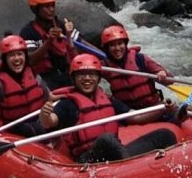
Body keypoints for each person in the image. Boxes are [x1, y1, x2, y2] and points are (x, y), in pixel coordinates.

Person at [38, 53, 177, 163]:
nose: (87, 78)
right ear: (73, 79)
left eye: (92, 74)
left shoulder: (108, 99)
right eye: (81, 75)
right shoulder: (67, 103)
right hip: (87, 161)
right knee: (106, 139)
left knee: (164, 135)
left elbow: (136, 117)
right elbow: (50, 121)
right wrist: (45, 114)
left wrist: (161, 108)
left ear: (98, 78)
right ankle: (131, 170)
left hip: (117, 155)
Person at [0, 35, 49, 136]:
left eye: (20, 54)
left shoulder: (32, 73)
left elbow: (48, 97)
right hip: (16, 126)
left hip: (39, 118)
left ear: (25, 56)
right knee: (36, 129)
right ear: (5, 60)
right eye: (12, 55)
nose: (17, 58)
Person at [19, 0, 80, 90]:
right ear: (35, 9)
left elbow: (82, 44)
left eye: (52, 6)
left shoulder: (62, 25)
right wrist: (49, 41)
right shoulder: (28, 32)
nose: (51, 10)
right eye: (46, 7)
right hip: (45, 79)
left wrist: (105, 56)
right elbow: (29, 61)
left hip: (68, 74)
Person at [100, 24, 172, 109]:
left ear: (125, 44)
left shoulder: (140, 59)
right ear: (107, 48)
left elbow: (170, 80)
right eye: (112, 45)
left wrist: (162, 73)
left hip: (152, 106)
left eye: (120, 43)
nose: (117, 48)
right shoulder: (105, 66)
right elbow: (88, 76)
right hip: (128, 112)